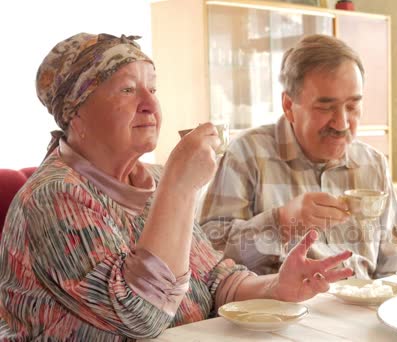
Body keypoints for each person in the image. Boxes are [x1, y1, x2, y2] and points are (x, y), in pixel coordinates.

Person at [0, 33, 353, 341]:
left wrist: (275, 286)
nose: (151, 104)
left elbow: (215, 280)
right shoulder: (53, 195)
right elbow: (140, 315)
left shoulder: (153, 179)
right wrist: (180, 185)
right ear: (75, 111)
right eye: (126, 89)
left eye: (152, 89)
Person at [199, 34, 397, 279]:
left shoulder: (373, 163)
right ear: (288, 106)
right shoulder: (246, 154)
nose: (341, 123)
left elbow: (393, 267)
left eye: (352, 106)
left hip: (362, 310)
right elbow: (208, 257)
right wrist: (282, 222)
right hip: (282, 312)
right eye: (325, 107)